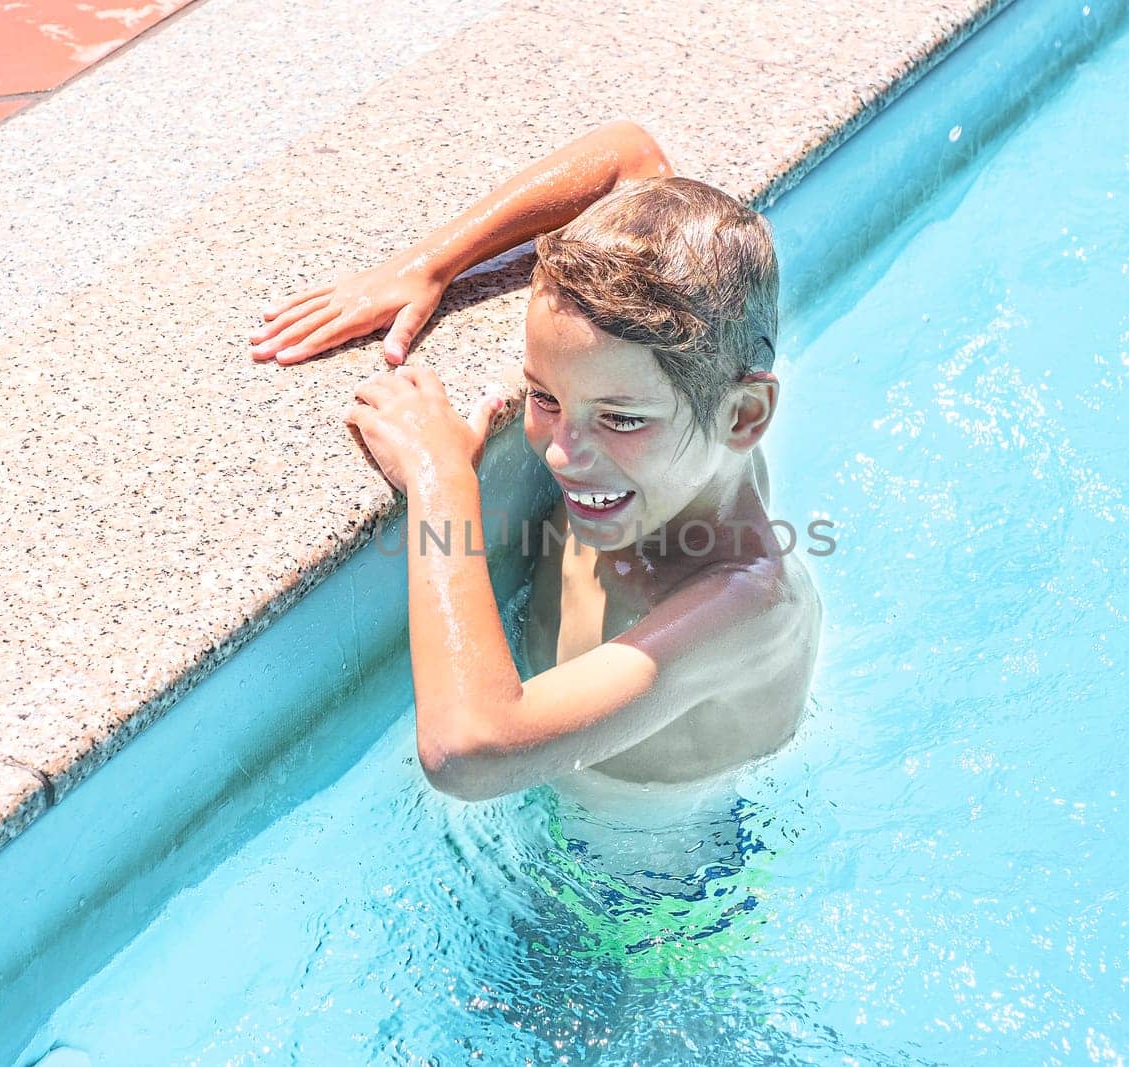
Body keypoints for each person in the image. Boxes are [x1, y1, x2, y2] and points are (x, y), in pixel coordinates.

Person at [248, 121, 822, 807]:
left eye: (621, 418)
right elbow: (626, 157)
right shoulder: (680, 421)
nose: (561, 452)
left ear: (743, 416)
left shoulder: (747, 603)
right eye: (546, 396)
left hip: (653, 889)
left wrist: (442, 480)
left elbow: (469, 749)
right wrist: (427, 266)